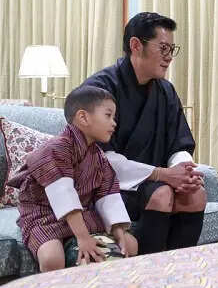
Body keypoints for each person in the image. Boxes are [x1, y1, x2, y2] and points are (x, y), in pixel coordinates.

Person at [83, 12, 206, 254]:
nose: (169, 57)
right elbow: (102, 159)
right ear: (136, 45)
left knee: (196, 194)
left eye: (172, 49)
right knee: (161, 193)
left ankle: (181, 270)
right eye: (163, 48)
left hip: (155, 181)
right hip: (109, 187)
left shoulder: (165, 91)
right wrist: (163, 175)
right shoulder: (98, 90)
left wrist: (183, 172)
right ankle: (149, 271)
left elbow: (179, 144)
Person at [7, 86, 136, 271]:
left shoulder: (98, 156)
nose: (114, 123)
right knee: (52, 258)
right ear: (83, 117)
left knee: (130, 244)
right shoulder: (56, 148)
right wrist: (83, 238)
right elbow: (63, 193)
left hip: (82, 213)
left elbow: (108, 195)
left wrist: (118, 232)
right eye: (108, 116)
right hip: (44, 215)